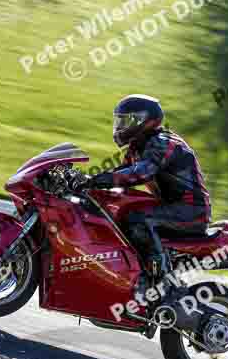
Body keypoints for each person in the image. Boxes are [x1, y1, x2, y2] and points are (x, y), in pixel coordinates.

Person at [86, 94, 211, 288]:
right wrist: (87, 181)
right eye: (119, 121)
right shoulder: (137, 148)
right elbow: (121, 173)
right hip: (171, 207)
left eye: (126, 120)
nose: (120, 126)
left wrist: (101, 180)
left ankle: (159, 279)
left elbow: (141, 173)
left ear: (143, 120)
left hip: (191, 210)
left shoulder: (164, 142)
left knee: (138, 219)